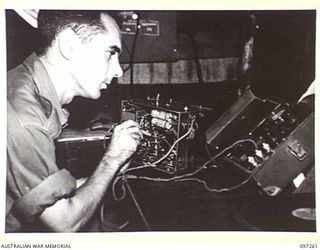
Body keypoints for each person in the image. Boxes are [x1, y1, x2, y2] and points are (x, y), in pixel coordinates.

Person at [6, 10, 142, 232]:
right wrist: (113, 159)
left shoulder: (28, 91)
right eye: (111, 53)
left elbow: (51, 196)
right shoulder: (25, 119)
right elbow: (65, 223)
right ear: (69, 46)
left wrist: (111, 170)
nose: (118, 71)